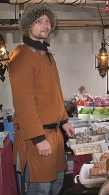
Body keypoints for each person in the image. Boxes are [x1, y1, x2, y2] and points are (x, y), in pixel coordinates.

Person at [8, 4, 75, 194]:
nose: (45, 25)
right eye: (39, 21)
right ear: (29, 25)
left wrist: (63, 121)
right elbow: (23, 103)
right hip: (38, 138)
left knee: (57, 186)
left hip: (55, 136)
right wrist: (38, 139)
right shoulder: (22, 56)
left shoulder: (46, 54)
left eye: (47, 21)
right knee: (40, 190)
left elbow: (54, 92)